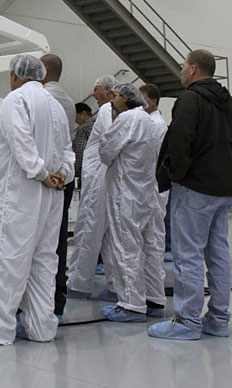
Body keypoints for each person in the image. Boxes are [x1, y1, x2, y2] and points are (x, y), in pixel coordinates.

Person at [0, 54, 74, 345]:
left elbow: (20, 141)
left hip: (20, 197)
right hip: (51, 198)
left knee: (6, 260)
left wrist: (40, 173)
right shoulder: (55, 106)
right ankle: (41, 327)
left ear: (15, 75)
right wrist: (61, 174)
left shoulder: (15, 101)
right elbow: (67, 150)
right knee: (43, 263)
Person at [149, 50, 232, 340]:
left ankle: (187, 321)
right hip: (224, 188)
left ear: (194, 69)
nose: (181, 71)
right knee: (219, 252)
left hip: (195, 187)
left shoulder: (190, 100)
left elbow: (180, 142)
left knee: (188, 255)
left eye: (183, 66)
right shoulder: (227, 101)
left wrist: (175, 176)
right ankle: (220, 319)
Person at [98, 83, 166, 322]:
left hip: (126, 193)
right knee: (150, 248)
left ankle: (131, 305)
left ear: (126, 99)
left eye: (115, 96)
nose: (112, 100)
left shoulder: (127, 119)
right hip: (146, 192)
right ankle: (154, 299)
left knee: (126, 247)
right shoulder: (148, 120)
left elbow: (106, 151)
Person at [66, 76, 118, 298]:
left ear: (107, 90)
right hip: (105, 180)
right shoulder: (118, 113)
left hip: (98, 181)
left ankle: (79, 284)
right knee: (108, 237)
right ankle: (116, 286)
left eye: (96, 90)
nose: (94, 94)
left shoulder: (107, 111)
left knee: (88, 231)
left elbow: (111, 140)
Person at [40, 54, 76, 321]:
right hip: (64, 177)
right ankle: (57, 301)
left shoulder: (41, 100)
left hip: (44, 179)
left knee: (39, 244)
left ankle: (43, 302)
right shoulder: (68, 101)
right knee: (58, 241)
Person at [139, 83, 171, 260]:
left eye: (142, 99)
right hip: (149, 183)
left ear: (152, 102)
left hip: (152, 183)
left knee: (154, 230)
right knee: (150, 230)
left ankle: (155, 269)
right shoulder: (150, 122)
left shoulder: (155, 124)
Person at [72, 102, 94, 184]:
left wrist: (75, 171)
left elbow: (80, 151)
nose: (75, 120)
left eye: (76, 116)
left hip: (85, 170)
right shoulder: (98, 125)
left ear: (83, 114)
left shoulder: (83, 129)